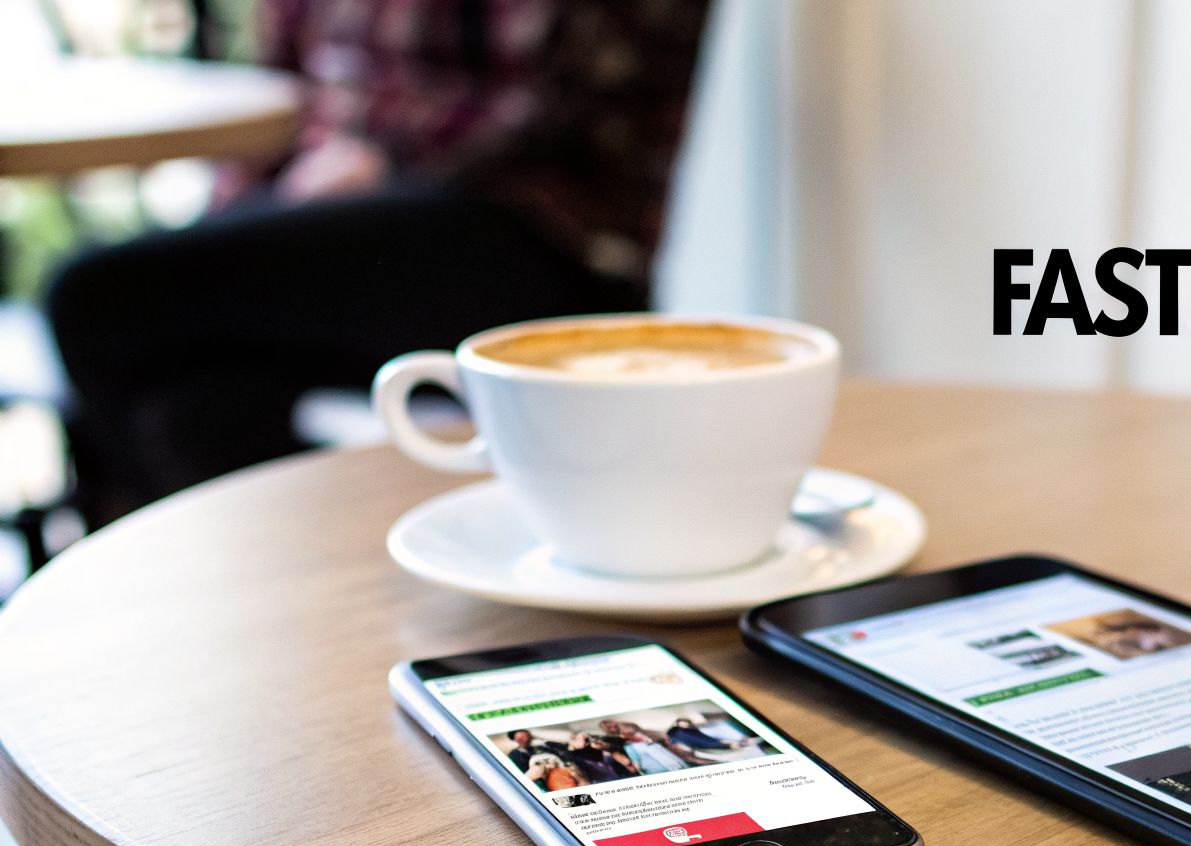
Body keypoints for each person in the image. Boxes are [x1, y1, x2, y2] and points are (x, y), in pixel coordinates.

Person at [48, 0, 711, 523]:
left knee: (92, 297)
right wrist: (256, 211)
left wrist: (384, 162)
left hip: (529, 231)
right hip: (333, 218)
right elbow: (285, 89)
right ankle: (298, 619)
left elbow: (564, 98)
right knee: (191, 408)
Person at [601, 720, 695, 774]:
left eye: (611, 725)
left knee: (678, 760)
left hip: (653, 744)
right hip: (646, 749)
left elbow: (642, 737)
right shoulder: (621, 738)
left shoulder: (626, 729)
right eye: (608, 727)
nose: (611, 727)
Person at [667, 716, 761, 762]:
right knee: (722, 744)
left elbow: (703, 737)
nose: (685, 724)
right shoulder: (676, 731)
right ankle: (745, 743)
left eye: (686, 723)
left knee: (722, 744)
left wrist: (717, 740)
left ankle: (745, 743)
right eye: (683, 723)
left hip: (703, 743)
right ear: (678, 723)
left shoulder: (690, 730)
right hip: (700, 744)